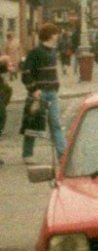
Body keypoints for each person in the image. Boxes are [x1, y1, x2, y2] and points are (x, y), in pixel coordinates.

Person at [20, 23, 67, 162]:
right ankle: (27, 154)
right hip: (39, 94)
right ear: (50, 35)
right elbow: (26, 73)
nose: (58, 36)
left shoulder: (53, 52)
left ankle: (62, 155)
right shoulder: (35, 52)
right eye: (55, 33)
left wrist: (56, 86)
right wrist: (34, 90)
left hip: (52, 93)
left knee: (55, 124)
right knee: (33, 125)